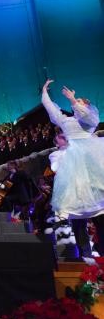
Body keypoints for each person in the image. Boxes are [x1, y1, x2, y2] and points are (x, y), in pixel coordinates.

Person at [42, 79, 104, 256]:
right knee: (76, 209)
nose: (78, 105)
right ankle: (82, 253)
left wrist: (73, 100)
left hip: (92, 161)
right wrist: (45, 93)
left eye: (82, 103)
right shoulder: (67, 122)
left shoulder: (90, 121)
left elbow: (88, 115)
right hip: (74, 164)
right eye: (78, 103)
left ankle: (97, 250)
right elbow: (52, 111)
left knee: (99, 209)